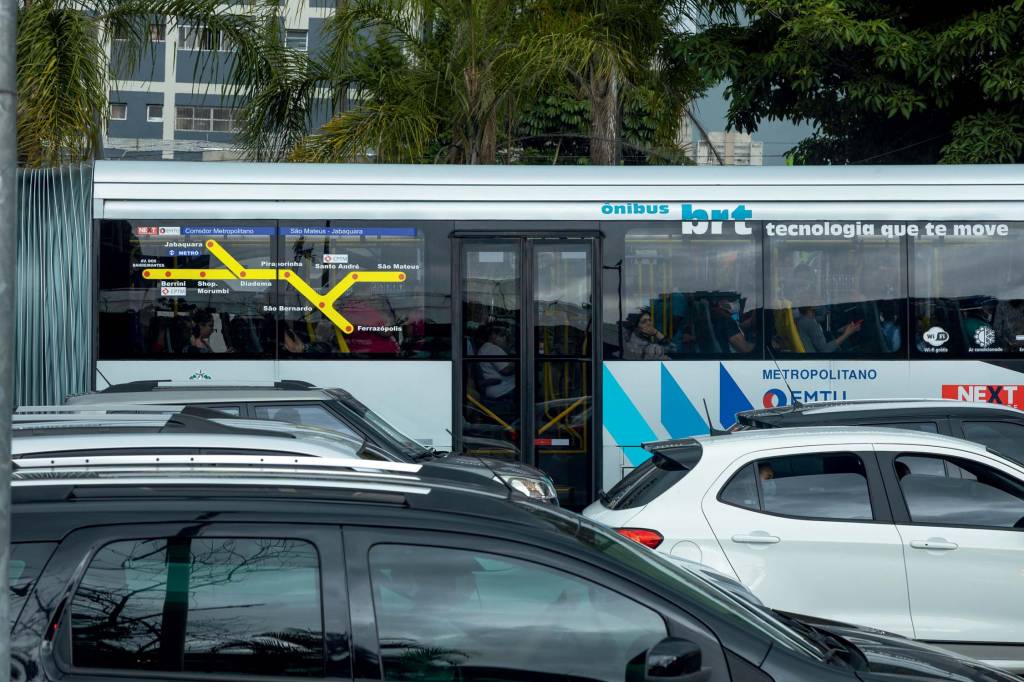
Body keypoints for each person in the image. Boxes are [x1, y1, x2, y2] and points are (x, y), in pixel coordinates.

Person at [477, 324, 516, 402]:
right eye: (502, 336)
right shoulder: (492, 349)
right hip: (503, 389)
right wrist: (518, 359)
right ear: (493, 336)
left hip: (499, 388)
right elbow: (506, 370)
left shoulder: (486, 348)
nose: (505, 339)